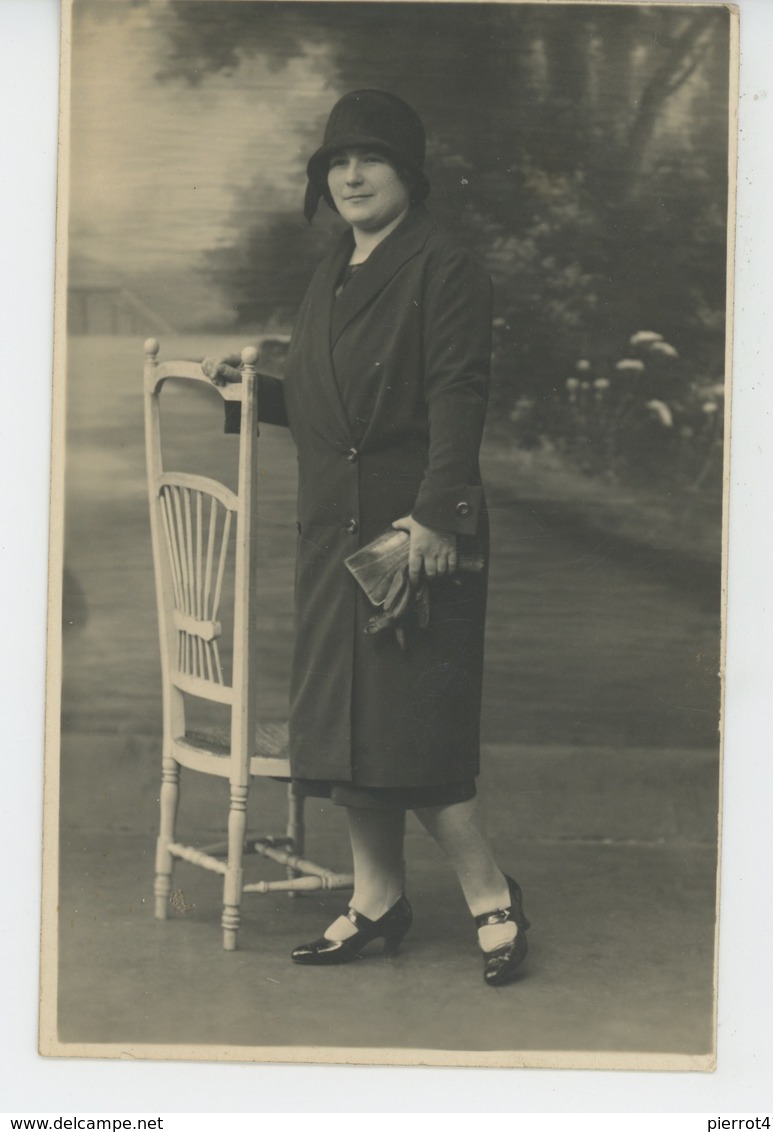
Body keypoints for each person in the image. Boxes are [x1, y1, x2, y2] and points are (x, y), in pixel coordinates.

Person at [203, 89, 529, 986]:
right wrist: (245, 389)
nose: (350, 175)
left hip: (413, 527)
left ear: (408, 176)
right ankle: (376, 900)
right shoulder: (331, 275)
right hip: (332, 531)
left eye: (370, 160)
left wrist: (436, 516)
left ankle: (490, 893)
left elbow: (459, 393)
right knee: (348, 731)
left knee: (412, 728)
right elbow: (323, 409)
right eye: (335, 163)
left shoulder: (445, 266)